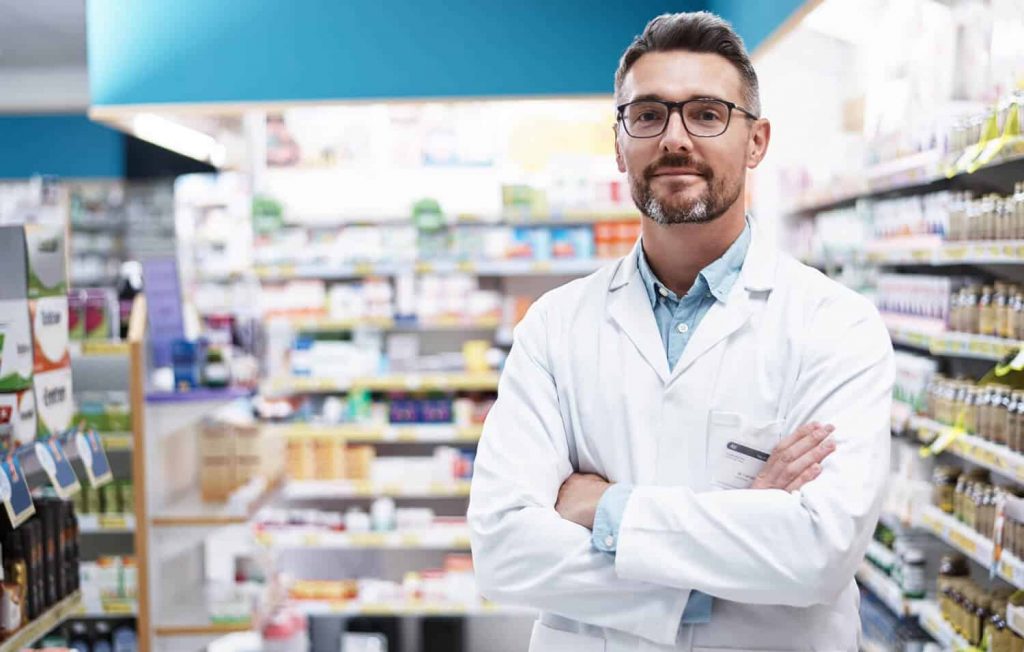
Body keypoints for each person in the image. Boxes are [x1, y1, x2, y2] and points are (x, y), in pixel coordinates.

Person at [468, 11, 893, 652]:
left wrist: (602, 508)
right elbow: (503, 548)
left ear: (756, 141)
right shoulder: (554, 327)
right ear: (619, 144)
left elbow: (818, 551)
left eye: (707, 114)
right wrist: (719, 572)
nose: (674, 138)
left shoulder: (836, 326)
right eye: (647, 115)